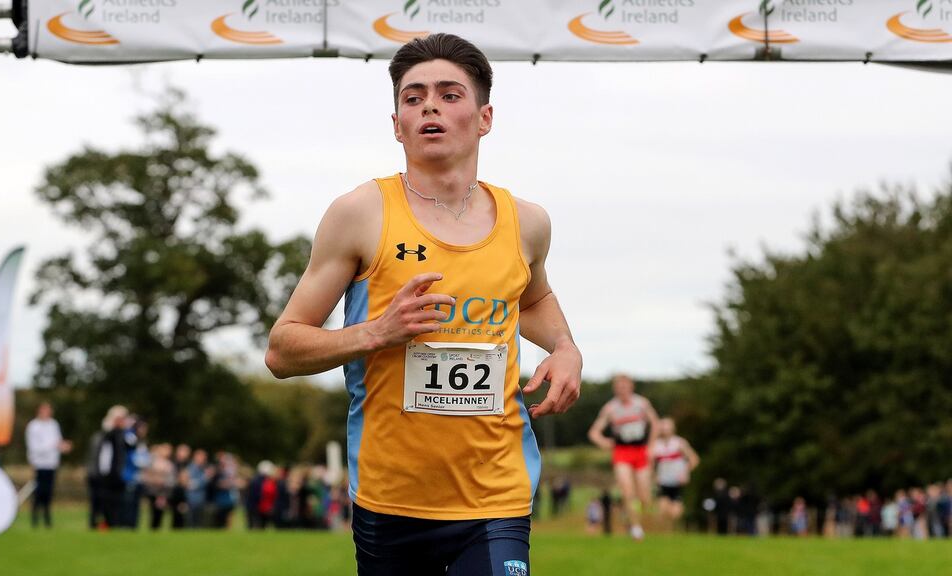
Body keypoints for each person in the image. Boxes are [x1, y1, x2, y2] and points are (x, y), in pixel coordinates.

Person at [265, 32, 582, 575]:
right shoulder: (360, 213)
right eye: (412, 98)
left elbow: (535, 297)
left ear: (484, 118)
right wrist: (375, 331)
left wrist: (565, 347)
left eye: (449, 94)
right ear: (397, 125)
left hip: (495, 495)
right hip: (391, 499)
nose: (429, 105)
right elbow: (282, 349)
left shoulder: (527, 222)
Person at [588, 374, 660, 540]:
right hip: (622, 452)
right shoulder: (611, 408)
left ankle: (631, 516)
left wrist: (651, 446)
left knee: (644, 496)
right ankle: (636, 528)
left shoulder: (642, 404)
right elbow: (593, 432)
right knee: (627, 491)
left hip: (641, 450)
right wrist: (604, 442)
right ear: (615, 390)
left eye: (625, 387)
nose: (622, 390)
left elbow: (655, 423)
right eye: (619, 387)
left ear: (631, 387)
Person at [25, 402, 72, 528]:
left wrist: (63, 446)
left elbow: (58, 441)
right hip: (40, 464)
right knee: (39, 492)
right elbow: (35, 447)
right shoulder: (33, 426)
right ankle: (35, 519)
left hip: (52, 464)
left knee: (48, 492)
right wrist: (53, 445)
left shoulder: (53, 424)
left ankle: (47, 519)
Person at [651, 417, 699, 526]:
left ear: (673, 428)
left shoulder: (679, 443)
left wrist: (685, 472)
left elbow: (694, 459)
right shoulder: (655, 445)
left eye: (667, 426)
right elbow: (650, 463)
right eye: (662, 426)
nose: (664, 428)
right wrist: (654, 475)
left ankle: (674, 530)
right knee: (662, 508)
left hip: (677, 481)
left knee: (676, 511)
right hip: (663, 481)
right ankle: (666, 532)